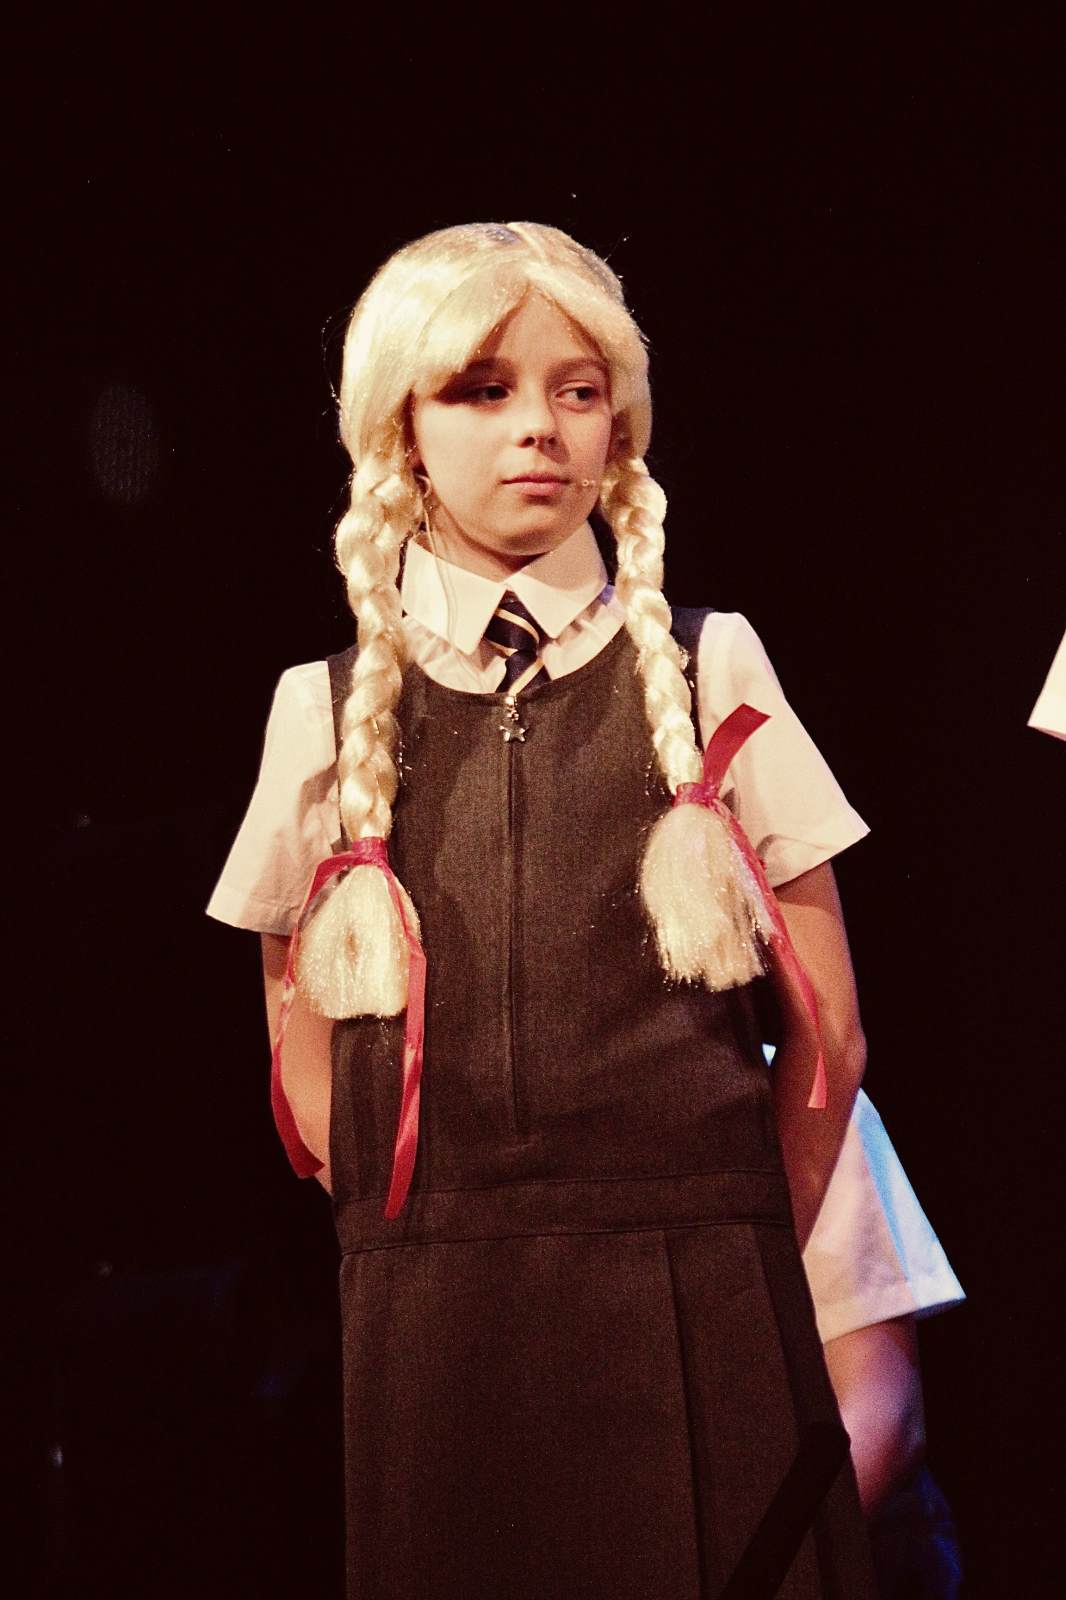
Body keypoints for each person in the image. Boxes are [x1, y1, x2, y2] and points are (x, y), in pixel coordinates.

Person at [209, 221, 882, 1597]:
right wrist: (414, 1226)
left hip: (695, 1285)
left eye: (578, 391)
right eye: (483, 390)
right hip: (438, 1309)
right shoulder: (320, 708)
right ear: (401, 432)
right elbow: (296, 1033)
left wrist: (737, 1240)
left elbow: (829, 1034)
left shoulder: (709, 663)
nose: (539, 428)